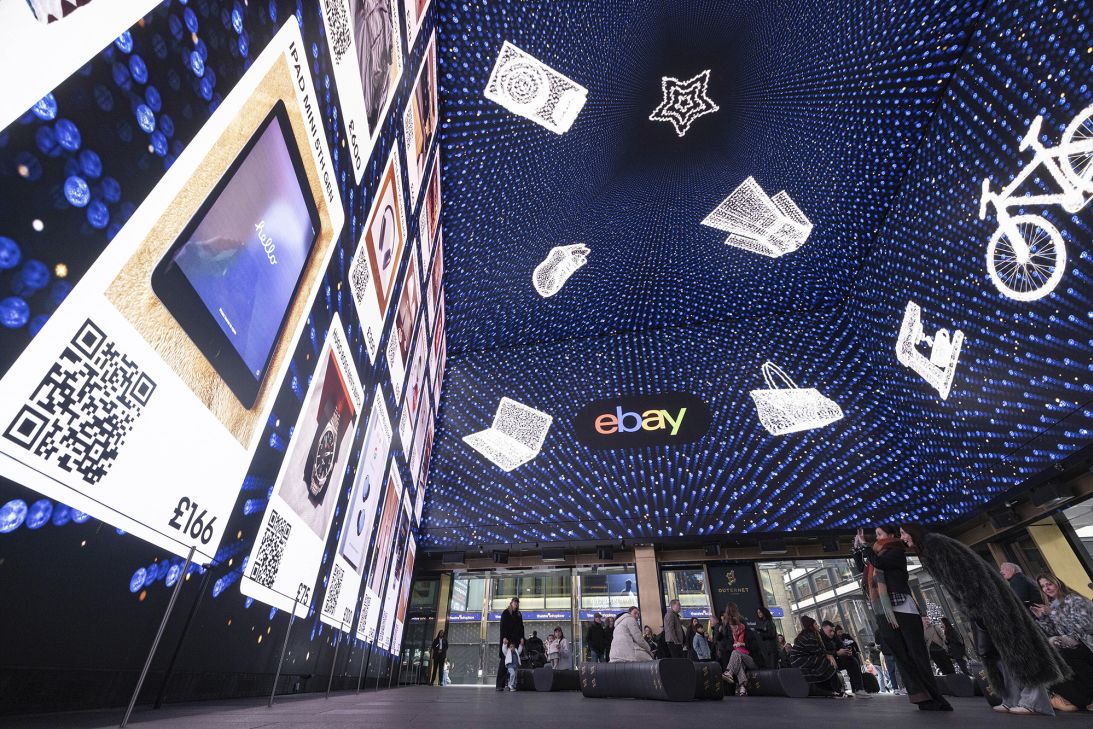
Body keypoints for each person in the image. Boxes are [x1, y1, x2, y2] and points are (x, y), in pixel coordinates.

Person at [900, 523, 1068, 716]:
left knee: (1014, 650)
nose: (902, 537)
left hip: (989, 604)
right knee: (997, 653)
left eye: (904, 532)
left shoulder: (936, 546)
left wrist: (972, 605)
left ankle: (1034, 702)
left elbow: (963, 577)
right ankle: (1011, 698)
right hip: (983, 604)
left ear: (914, 531)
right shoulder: (931, 548)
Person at [853, 525, 951, 711]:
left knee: (916, 654)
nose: (877, 538)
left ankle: (937, 697)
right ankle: (921, 696)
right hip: (884, 611)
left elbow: (879, 563)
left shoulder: (896, 551)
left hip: (903, 608)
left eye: (880, 534)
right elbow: (863, 568)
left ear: (890, 536)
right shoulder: (876, 556)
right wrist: (858, 550)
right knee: (901, 655)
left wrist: (865, 547)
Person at [1033, 574, 1093, 712]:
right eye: (1043, 586)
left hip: (1088, 644)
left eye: (1049, 584)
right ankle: (1082, 700)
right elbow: (1054, 631)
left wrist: (1053, 614)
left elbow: (1087, 625)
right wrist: (1043, 618)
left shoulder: (1075, 600)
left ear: (1057, 583)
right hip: (1074, 646)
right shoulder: (1054, 605)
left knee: (1064, 654)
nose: (1046, 588)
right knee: (1046, 662)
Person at [789, 615, 843, 697]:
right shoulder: (810, 636)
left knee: (826, 662)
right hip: (800, 660)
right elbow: (817, 652)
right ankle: (835, 689)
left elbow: (819, 652)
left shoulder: (811, 635)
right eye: (816, 624)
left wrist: (829, 655)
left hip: (801, 659)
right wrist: (830, 656)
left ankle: (834, 689)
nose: (818, 625)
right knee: (827, 662)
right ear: (811, 626)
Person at [821, 620, 868, 696]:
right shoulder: (819, 637)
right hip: (826, 661)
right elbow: (821, 652)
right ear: (824, 628)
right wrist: (836, 653)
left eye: (833, 631)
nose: (832, 633)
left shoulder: (834, 637)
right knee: (833, 664)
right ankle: (839, 690)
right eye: (830, 631)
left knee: (852, 660)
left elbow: (841, 645)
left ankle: (859, 688)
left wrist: (847, 652)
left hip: (837, 659)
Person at [721, 603, 759, 695]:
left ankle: (729, 672)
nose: (733, 629)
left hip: (752, 658)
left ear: (739, 625)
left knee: (735, 653)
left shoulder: (747, 633)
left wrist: (742, 643)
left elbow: (754, 647)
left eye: (734, 627)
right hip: (740, 656)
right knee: (739, 663)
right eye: (731, 628)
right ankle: (742, 687)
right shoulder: (733, 636)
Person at [496, 597, 524, 691]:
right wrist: (504, 637)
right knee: (504, 661)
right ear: (511, 603)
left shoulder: (519, 614)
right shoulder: (506, 613)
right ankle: (499, 685)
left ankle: (511, 684)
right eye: (514, 602)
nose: (516, 604)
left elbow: (521, 627)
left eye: (517, 603)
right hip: (506, 641)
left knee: (514, 663)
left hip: (515, 641)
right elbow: (503, 626)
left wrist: (522, 638)